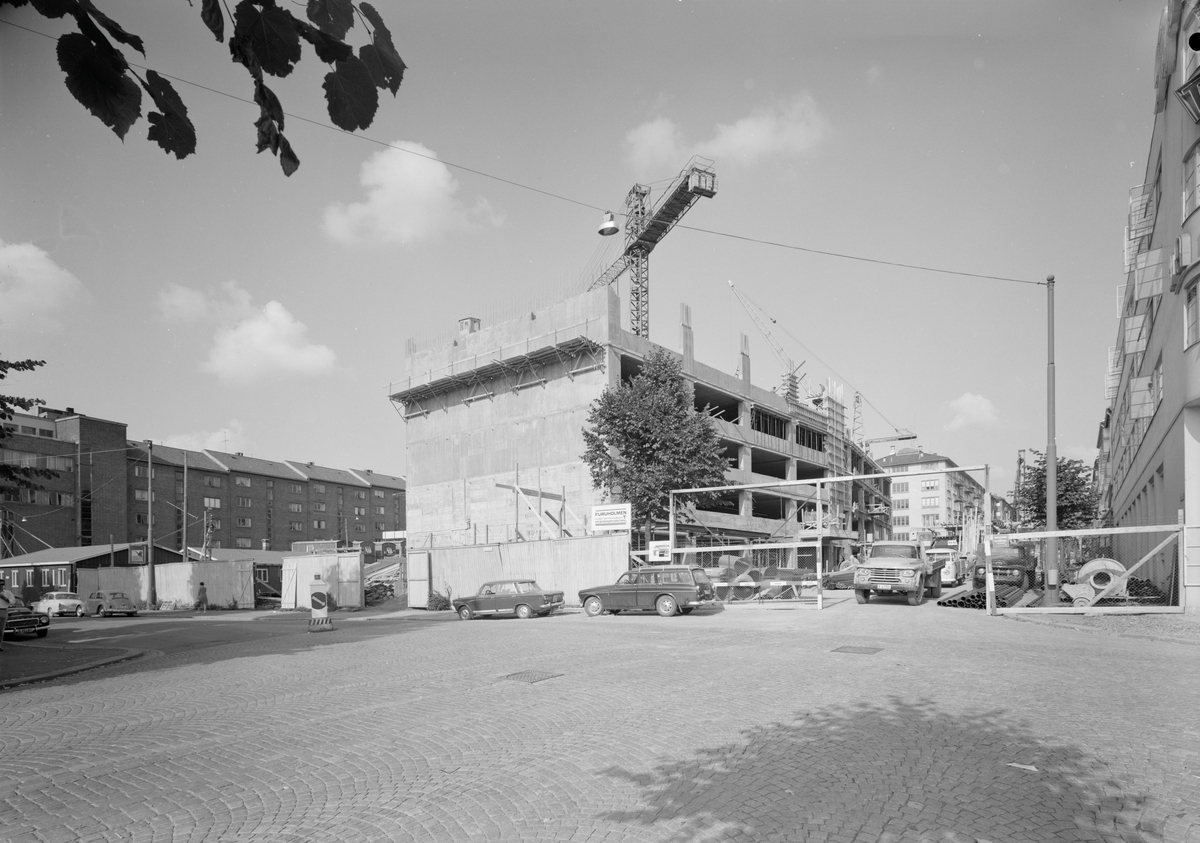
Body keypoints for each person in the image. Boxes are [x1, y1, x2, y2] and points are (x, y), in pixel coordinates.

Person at [0, 577, 15, 651]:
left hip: (3, 611)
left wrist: (5, 598)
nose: (0, 586)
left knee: (1, 630)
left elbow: (13, 601)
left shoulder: (7, 593)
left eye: (1, 585)